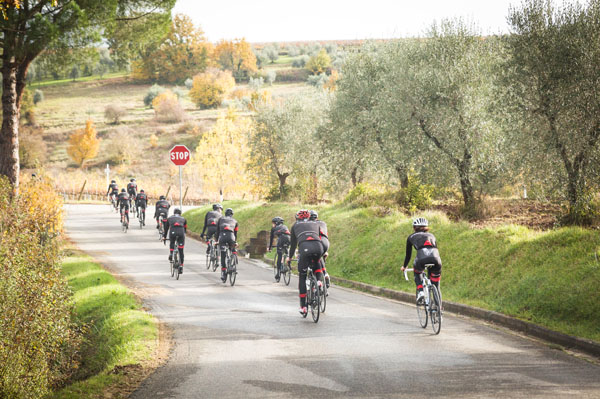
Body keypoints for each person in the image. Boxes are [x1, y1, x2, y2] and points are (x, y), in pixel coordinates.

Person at [287, 209, 328, 316]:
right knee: (317, 260)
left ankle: (303, 307)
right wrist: (324, 252)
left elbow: (293, 245)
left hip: (304, 248)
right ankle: (319, 281)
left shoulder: (295, 226)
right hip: (318, 247)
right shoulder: (316, 223)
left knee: (302, 276)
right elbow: (321, 238)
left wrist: (289, 258)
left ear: (297, 218)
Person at [401, 217, 442, 303]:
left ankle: (421, 292)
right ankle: (439, 309)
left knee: (417, 271)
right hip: (436, 259)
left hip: (421, 258)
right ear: (426, 227)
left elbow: (408, 255)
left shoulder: (411, 237)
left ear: (414, 227)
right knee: (436, 285)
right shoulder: (431, 235)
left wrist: (404, 266)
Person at [216, 208, 239, 282]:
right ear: (232, 214)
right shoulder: (235, 221)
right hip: (231, 236)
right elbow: (235, 233)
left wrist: (217, 240)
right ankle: (234, 255)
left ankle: (223, 272)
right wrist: (235, 241)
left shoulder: (221, 219)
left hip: (222, 236)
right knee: (232, 247)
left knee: (223, 254)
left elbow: (217, 231)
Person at [310, 210, 330, 288]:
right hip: (326, 243)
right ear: (317, 217)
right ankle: (325, 273)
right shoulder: (323, 223)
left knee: (315, 259)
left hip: (317, 243)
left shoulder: (309, 225)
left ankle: (318, 282)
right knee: (320, 256)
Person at [164, 208, 187, 274]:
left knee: (172, 242)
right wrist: (183, 236)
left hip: (173, 232)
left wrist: (164, 237)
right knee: (181, 250)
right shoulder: (183, 219)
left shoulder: (170, 218)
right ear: (180, 213)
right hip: (181, 233)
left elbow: (166, 229)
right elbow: (185, 229)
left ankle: (171, 253)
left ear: (174, 213)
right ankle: (181, 266)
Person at [268, 216, 291, 281]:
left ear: (276, 223)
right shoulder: (285, 226)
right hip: (289, 239)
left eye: (273, 223)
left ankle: (278, 274)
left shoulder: (274, 228)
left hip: (281, 239)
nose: (272, 225)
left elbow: (271, 238)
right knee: (286, 252)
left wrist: (270, 247)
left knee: (279, 255)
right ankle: (288, 266)